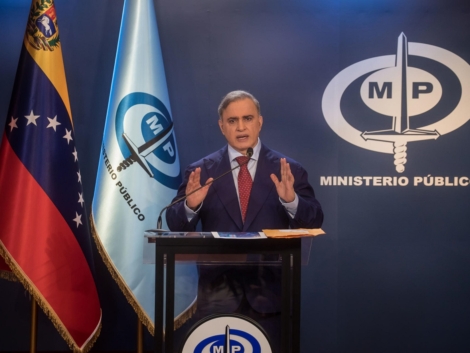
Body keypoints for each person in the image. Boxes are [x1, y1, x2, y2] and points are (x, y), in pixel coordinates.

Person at [166, 90, 323, 350]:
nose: (241, 127)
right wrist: (191, 205)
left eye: (247, 118)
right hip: (217, 297)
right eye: (232, 121)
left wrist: (291, 201)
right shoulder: (202, 170)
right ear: (222, 127)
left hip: (270, 299)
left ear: (259, 122)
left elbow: (315, 218)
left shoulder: (288, 170)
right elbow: (175, 224)